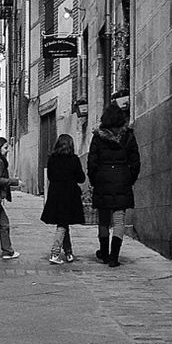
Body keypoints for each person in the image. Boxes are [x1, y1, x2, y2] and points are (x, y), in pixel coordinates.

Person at [87, 99, 140, 267]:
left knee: (103, 220)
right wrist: (129, 178)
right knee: (119, 220)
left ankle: (103, 252)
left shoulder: (98, 138)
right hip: (122, 180)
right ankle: (114, 257)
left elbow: (92, 163)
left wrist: (95, 180)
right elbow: (136, 162)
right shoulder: (128, 136)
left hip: (102, 180)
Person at [40, 133, 85, 264]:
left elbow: (50, 177)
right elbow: (81, 178)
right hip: (70, 195)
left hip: (55, 194)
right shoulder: (74, 159)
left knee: (63, 223)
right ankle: (55, 253)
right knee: (62, 225)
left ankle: (69, 252)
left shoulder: (52, 159)